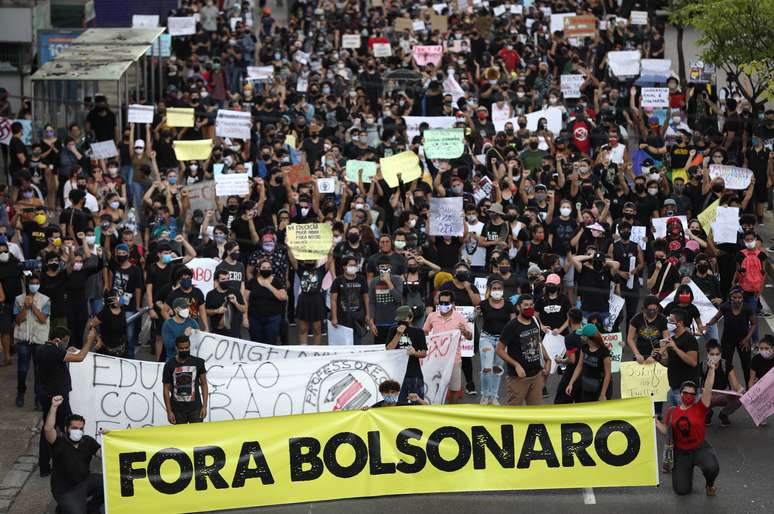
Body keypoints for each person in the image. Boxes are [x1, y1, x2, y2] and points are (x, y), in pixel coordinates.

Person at [35, 326, 95, 478]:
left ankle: (44, 466)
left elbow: (59, 357)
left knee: (47, 429)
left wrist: (68, 351)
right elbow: (80, 357)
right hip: (58, 398)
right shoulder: (54, 351)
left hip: (45, 395)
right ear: (57, 340)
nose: (65, 345)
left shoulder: (42, 350)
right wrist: (89, 341)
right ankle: (75, 464)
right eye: (65, 342)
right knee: (71, 430)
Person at [655, 362, 720, 496]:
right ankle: (686, 472)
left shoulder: (700, 408)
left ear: (695, 395)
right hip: (681, 453)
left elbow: (708, 388)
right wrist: (654, 422)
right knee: (682, 490)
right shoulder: (672, 412)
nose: (688, 396)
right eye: (686, 393)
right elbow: (667, 431)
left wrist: (712, 370)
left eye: (692, 394)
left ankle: (710, 484)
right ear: (681, 393)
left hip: (699, 448)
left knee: (711, 467)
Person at [43, 395, 103, 514]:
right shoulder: (58, 442)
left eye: (81, 429)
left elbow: (104, 454)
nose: (78, 431)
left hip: (84, 483)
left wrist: (108, 437)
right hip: (65, 491)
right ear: (66, 429)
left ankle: (92, 508)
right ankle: (63, 509)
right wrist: (54, 407)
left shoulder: (87, 441)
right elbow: (48, 429)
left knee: (107, 483)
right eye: (74, 428)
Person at [496, 294, 551, 406]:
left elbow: (538, 342)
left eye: (531, 305)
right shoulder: (512, 326)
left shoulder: (535, 321)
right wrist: (516, 365)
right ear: (518, 307)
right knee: (514, 412)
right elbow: (499, 349)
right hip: (518, 378)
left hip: (536, 375)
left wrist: (547, 359)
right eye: (525, 305)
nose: (529, 308)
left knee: (536, 412)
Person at [423, 290, 472, 403]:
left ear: (453, 304)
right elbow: (425, 332)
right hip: (436, 359)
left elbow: (469, 337)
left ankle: (452, 411)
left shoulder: (459, 318)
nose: (443, 305)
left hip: (454, 359)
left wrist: (464, 331)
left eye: (446, 303)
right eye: (441, 303)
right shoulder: (432, 316)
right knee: (435, 387)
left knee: (454, 389)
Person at [704, 287, 756, 385]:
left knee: (746, 365)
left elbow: (753, 324)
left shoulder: (747, 308)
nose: (737, 299)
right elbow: (716, 317)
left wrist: (748, 338)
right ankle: (726, 389)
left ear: (743, 298)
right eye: (734, 297)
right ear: (730, 297)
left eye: (740, 297)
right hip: (727, 340)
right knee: (726, 365)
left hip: (743, 341)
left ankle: (749, 391)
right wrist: (707, 325)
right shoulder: (725, 307)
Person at [14, 273, 49, 407]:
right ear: (28, 285)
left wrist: (33, 305)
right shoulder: (18, 299)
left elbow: (43, 319)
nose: (34, 285)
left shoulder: (46, 300)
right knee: (22, 370)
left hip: (39, 339)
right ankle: (20, 393)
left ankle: (38, 398)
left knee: (39, 370)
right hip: (23, 339)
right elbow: (17, 320)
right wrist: (25, 306)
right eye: (32, 283)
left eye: (36, 283)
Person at [477, 278, 514, 405]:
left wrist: (512, 340)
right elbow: (471, 319)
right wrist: (474, 314)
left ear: (503, 290)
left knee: (497, 369)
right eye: (494, 289)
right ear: (489, 290)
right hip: (486, 338)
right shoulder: (483, 304)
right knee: (487, 368)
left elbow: (512, 324)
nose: (497, 291)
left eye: (499, 289)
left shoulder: (509, 305)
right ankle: (485, 395)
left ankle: (493, 396)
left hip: (502, 341)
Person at [162, 335, 208, 424]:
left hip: (195, 408)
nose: (184, 350)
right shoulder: (169, 365)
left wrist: (204, 406)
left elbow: (204, 384)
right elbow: (165, 388)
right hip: (177, 409)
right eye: (181, 348)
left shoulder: (198, 362)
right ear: (176, 348)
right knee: (180, 437)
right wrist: (169, 411)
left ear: (189, 346)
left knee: (196, 435)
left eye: (186, 348)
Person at [385, 306, 427, 402]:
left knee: (416, 403)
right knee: (397, 403)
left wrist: (414, 353)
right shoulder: (393, 330)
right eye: (399, 320)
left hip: (413, 373)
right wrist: (398, 334)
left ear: (411, 318)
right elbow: (388, 350)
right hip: (396, 374)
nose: (401, 323)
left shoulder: (418, 332)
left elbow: (424, 353)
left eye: (404, 320)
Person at [702, 340, 745, 427]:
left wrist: (741, 390)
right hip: (708, 396)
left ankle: (724, 414)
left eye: (717, 354)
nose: (715, 357)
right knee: (695, 398)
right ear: (707, 354)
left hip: (723, 395)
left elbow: (735, 384)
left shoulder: (726, 365)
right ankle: (707, 413)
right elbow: (697, 385)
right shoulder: (702, 366)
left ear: (721, 354)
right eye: (712, 354)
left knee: (740, 398)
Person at [565, 324, 612, 402]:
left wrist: (603, 394)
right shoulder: (584, 347)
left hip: (601, 387)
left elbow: (608, 374)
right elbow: (579, 366)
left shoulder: (604, 351)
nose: (580, 337)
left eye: (582, 335)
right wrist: (571, 383)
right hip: (587, 386)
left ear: (587, 338)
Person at [330, 255, 370, 345]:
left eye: (355, 265)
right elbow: (333, 300)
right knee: (344, 344)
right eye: (351, 265)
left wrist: (368, 314)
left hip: (358, 318)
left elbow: (366, 297)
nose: (353, 267)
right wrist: (334, 317)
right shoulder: (338, 281)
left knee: (357, 343)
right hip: (342, 318)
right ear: (344, 267)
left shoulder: (361, 279)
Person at [245, 259, 287, 344]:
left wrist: (269, 286)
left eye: (268, 267)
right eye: (264, 267)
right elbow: (245, 299)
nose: (266, 269)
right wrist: (245, 318)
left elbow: (283, 297)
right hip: (255, 318)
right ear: (259, 269)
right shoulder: (252, 282)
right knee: (256, 343)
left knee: (271, 343)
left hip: (273, 318)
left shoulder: (276, 281)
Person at [554, 308, 584, 404]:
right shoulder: (587, 333)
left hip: (572, 374)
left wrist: (560, 360)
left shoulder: (569, 338)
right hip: (586, 374)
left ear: (569, 319)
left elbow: (572, 360)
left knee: (561, 402)